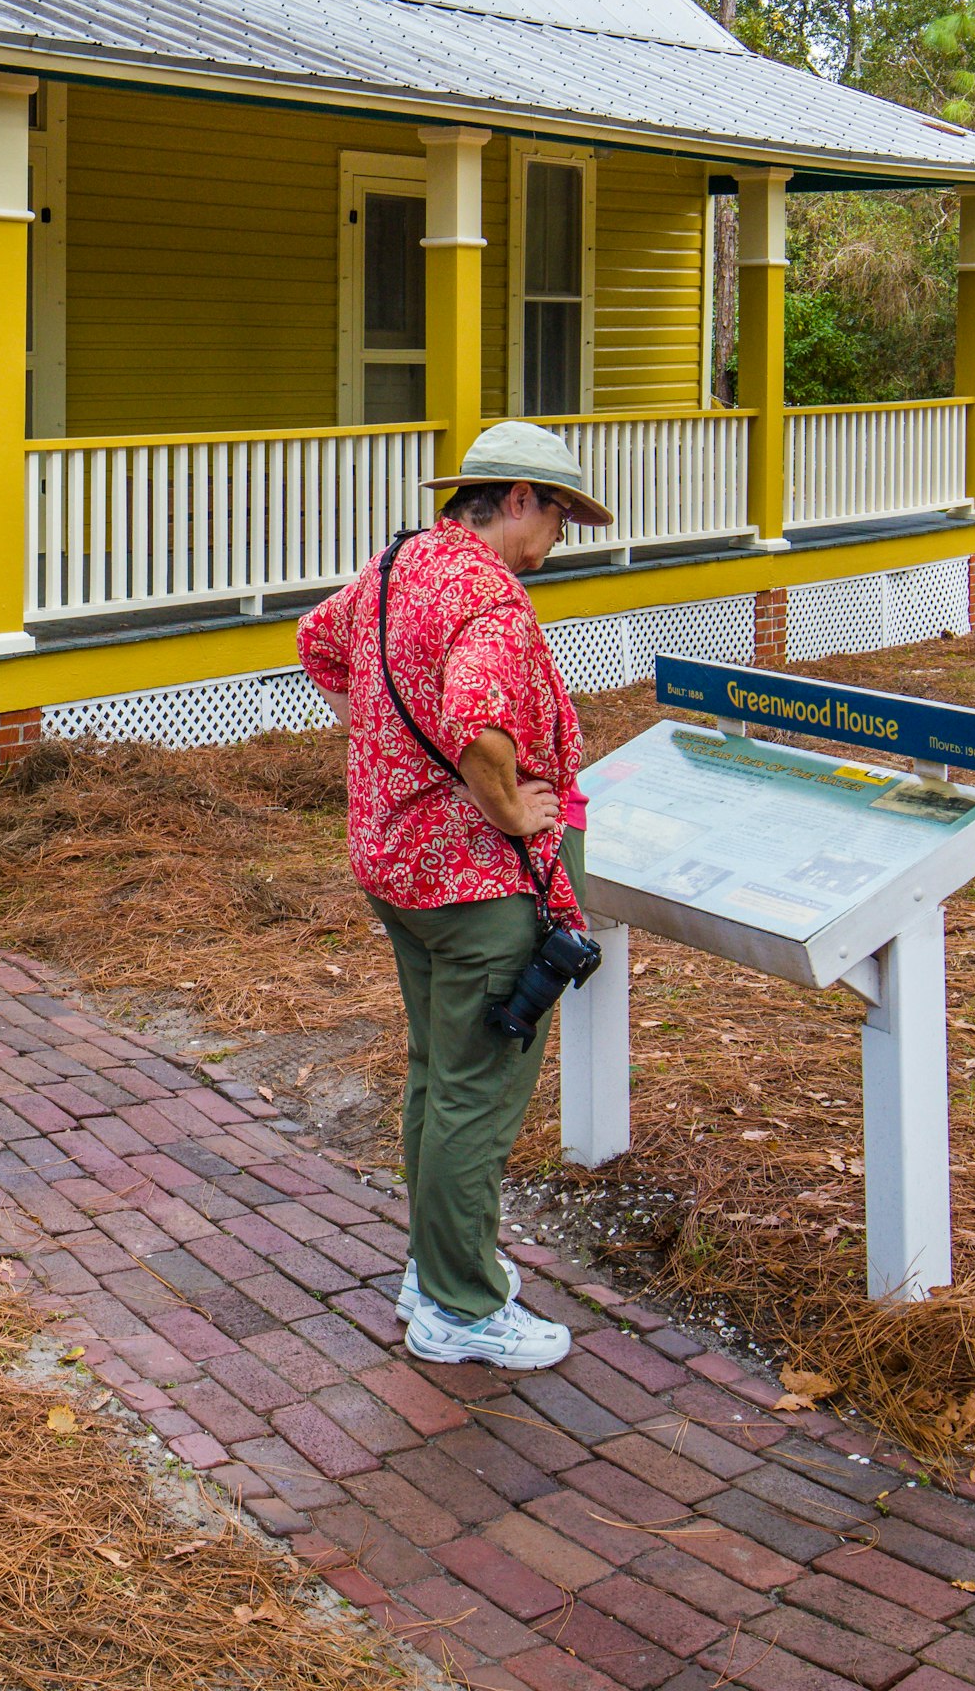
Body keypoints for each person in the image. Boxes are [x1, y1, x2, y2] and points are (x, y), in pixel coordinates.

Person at [296, 418, 607, 1372]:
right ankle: (463, 1310)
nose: (558, 540)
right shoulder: (492, 601)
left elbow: (318, 641)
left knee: (439, 1078)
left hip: (400, 872)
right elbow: (478, 729)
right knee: (479, 1096)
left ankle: (431, 1269)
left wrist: (381, 742)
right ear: (517, 500)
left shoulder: (401, 567)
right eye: (558, 517)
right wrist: (512, 810)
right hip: (480, 887)